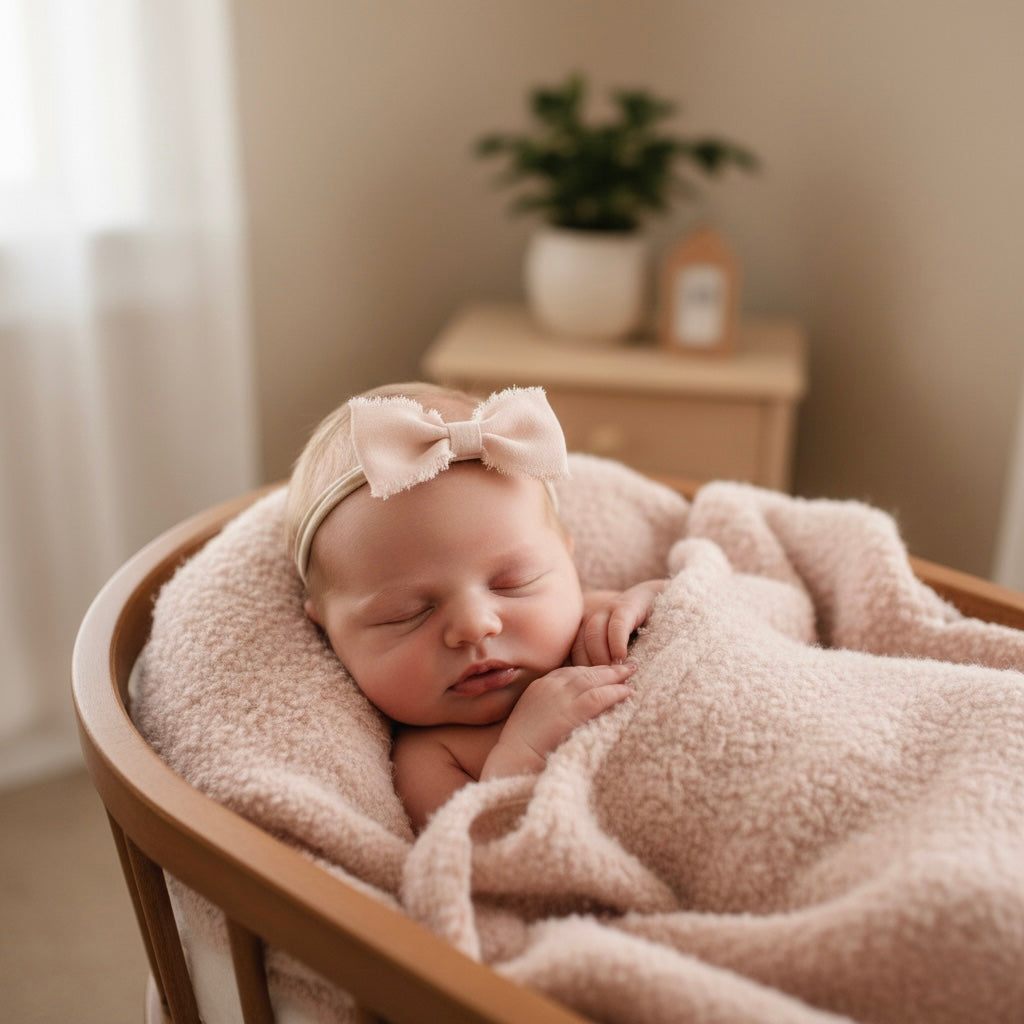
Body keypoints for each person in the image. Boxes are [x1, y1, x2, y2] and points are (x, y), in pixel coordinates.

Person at [286, 382, 664, 831]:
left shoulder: (597, 618)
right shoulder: (431, 758)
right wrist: (523, 753)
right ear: (328, 630)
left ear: (567, 556)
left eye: (513, 582)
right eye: (407, 613)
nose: (475, 625)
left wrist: (653, 600)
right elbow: (479, 853)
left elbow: (700, 617)